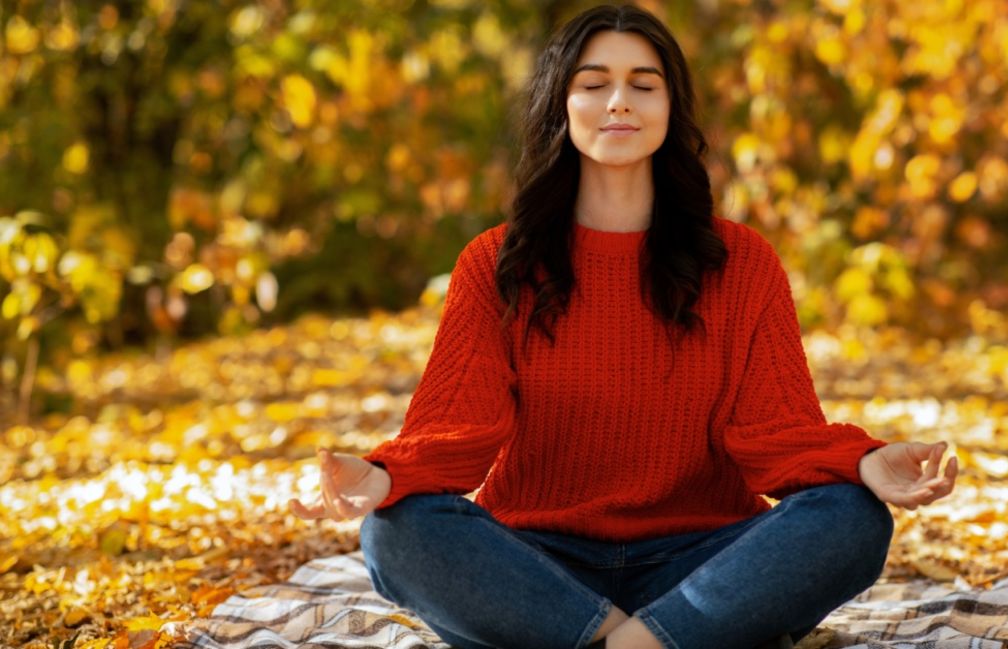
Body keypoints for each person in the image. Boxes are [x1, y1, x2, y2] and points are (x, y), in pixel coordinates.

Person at [288, 4, 958, 649]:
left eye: (643, 84)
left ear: (671, 109)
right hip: (536, 568)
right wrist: (379, 477)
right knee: (394, 531)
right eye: (593, 84)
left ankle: (618, 640)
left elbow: (778, 435)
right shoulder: (496, 262)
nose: (619, 102)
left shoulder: (742, 262)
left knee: (852, 518)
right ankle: (659, 641)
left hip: (703, 566)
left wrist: (866, 461)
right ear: (562, 105)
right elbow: (455, 433)